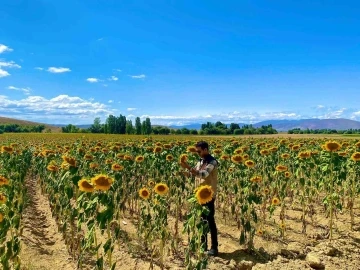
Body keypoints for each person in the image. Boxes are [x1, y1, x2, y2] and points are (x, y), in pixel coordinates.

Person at [180, 141, 219, 256]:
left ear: (206, 149)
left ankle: (214, 248)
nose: (197, 153)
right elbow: (194, 174)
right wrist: (185, 172)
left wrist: (188, 166)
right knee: (202, 220)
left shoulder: (212, 162)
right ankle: (203, 245)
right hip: (199, 195)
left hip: (209, 195)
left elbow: (203, 174)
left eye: (199, 151)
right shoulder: (200, 161)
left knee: (210, 220)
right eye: (197, 151)